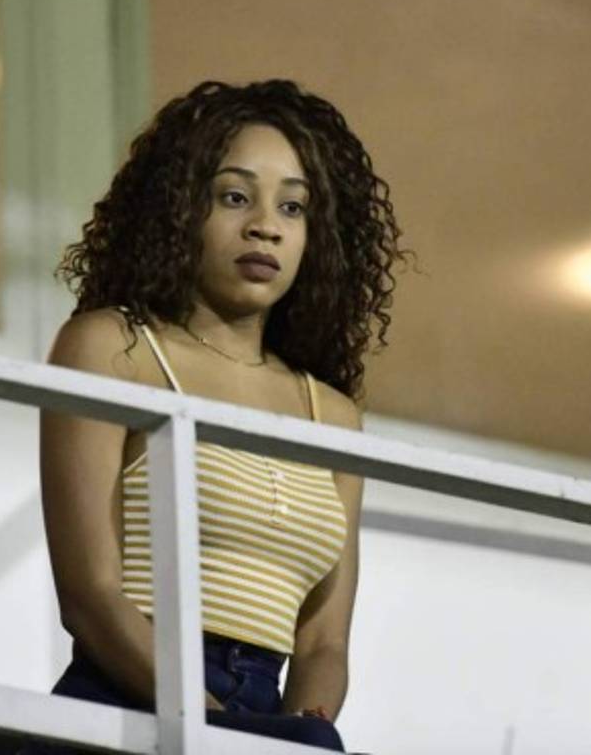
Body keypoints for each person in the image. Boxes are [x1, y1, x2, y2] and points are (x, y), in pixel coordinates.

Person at [35, 80, 405, 753]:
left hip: (266, 723)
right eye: (235, 196)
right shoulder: (112, 348)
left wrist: (298, 732)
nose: (265, 224)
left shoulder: (335, 417)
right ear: (179, 211)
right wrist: (212, 724)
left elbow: (323, 640)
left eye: (293, 207)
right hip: (130, 702)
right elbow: (90, 594)